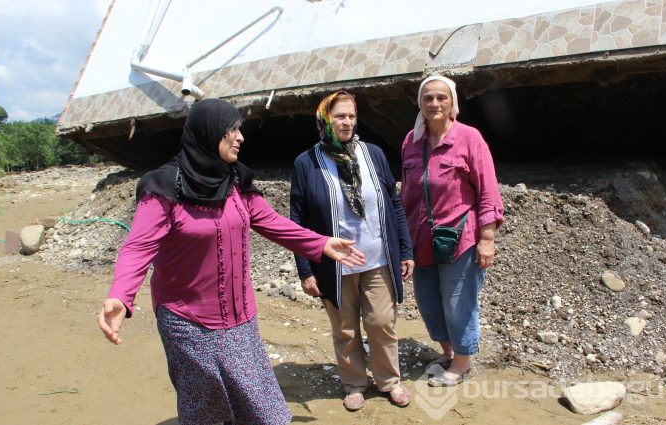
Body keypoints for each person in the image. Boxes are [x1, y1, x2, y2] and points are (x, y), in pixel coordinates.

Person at [97, 98, 366, 425]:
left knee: (260, 403)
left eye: (239, 129)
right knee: (205, 405)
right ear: (208, 133)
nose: (239, 137)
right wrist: (119, 296)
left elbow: (272, 222)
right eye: (231, 130)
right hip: (188, 320)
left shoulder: (236, 180)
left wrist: (320, 242)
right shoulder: (165, 186)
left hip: (240, 317)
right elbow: (138, 246)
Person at [290, 91, 414, 411]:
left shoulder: (372, 154)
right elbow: (298, 222)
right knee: (345, 329)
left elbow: (394, 203)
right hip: (334, 264)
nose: (346, 122)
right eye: (339, 116)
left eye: (351, 116)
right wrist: (305, 270)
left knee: (382, 322)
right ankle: (355, 383)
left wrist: (405, 248)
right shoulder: (306, 163)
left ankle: (389, 380)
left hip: (377, 259)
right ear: (324, 119)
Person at [400, 75, 504, 387]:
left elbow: (488, 190)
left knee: (458, 302)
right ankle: (447, 351)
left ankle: (461, 363)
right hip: (421, 240)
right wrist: (401, 239)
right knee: (428, 300)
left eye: (441, 98)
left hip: (461, 239)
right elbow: (407, 190)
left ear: (452, 104)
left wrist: (487, 238)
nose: (434, 103)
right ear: (420, 103)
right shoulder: (411, 142)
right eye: (428, 98)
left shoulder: (469, 138)